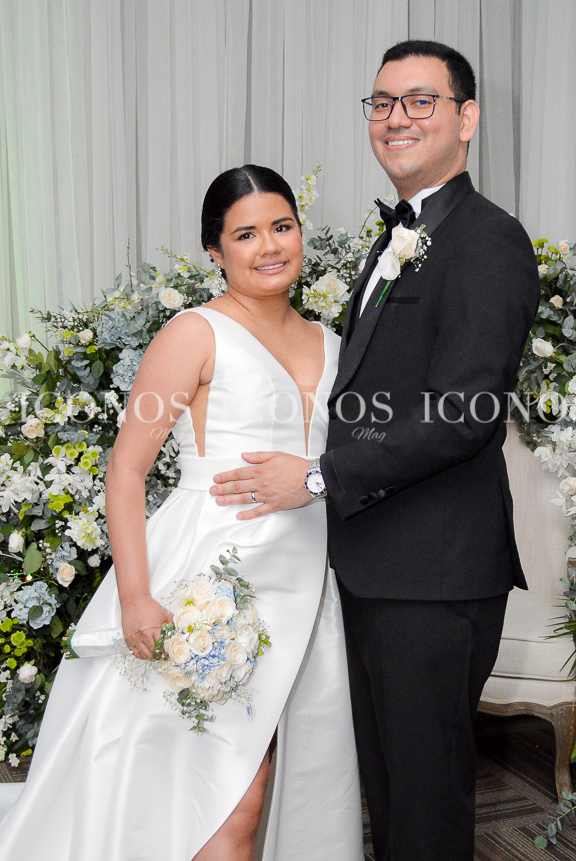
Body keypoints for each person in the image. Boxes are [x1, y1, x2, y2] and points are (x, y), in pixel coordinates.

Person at [209, 42, 541, 860]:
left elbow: (466, 414)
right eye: (383, 103)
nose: (397, 118)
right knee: (391, 797)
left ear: (467, 117)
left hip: (434, 574)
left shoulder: (487, 239)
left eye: (421, 101)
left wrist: (319, 475)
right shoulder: (403, 232)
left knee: (424, 802)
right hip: (377, 567)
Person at [0, 165, 363, 861]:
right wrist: (135, 595)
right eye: (245, 234)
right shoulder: (194, 333)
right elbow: (127, 469)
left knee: (289, 782)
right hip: (214, 584)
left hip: (309, 587)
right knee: (228, 800)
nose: (269, 246)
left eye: (282, 227)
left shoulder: (334, 343)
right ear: (214, 253)